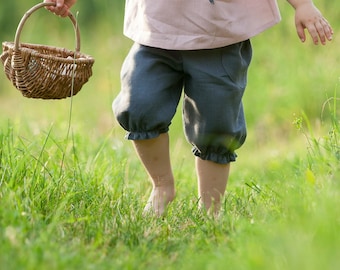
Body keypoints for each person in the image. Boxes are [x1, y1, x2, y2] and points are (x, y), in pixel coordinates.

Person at [45, 0, 333, 216]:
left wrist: (303, 4)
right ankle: (162, 185)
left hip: (220, 33)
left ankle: (210, 209)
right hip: (156, 30)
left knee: (216, 123)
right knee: (139, 102)